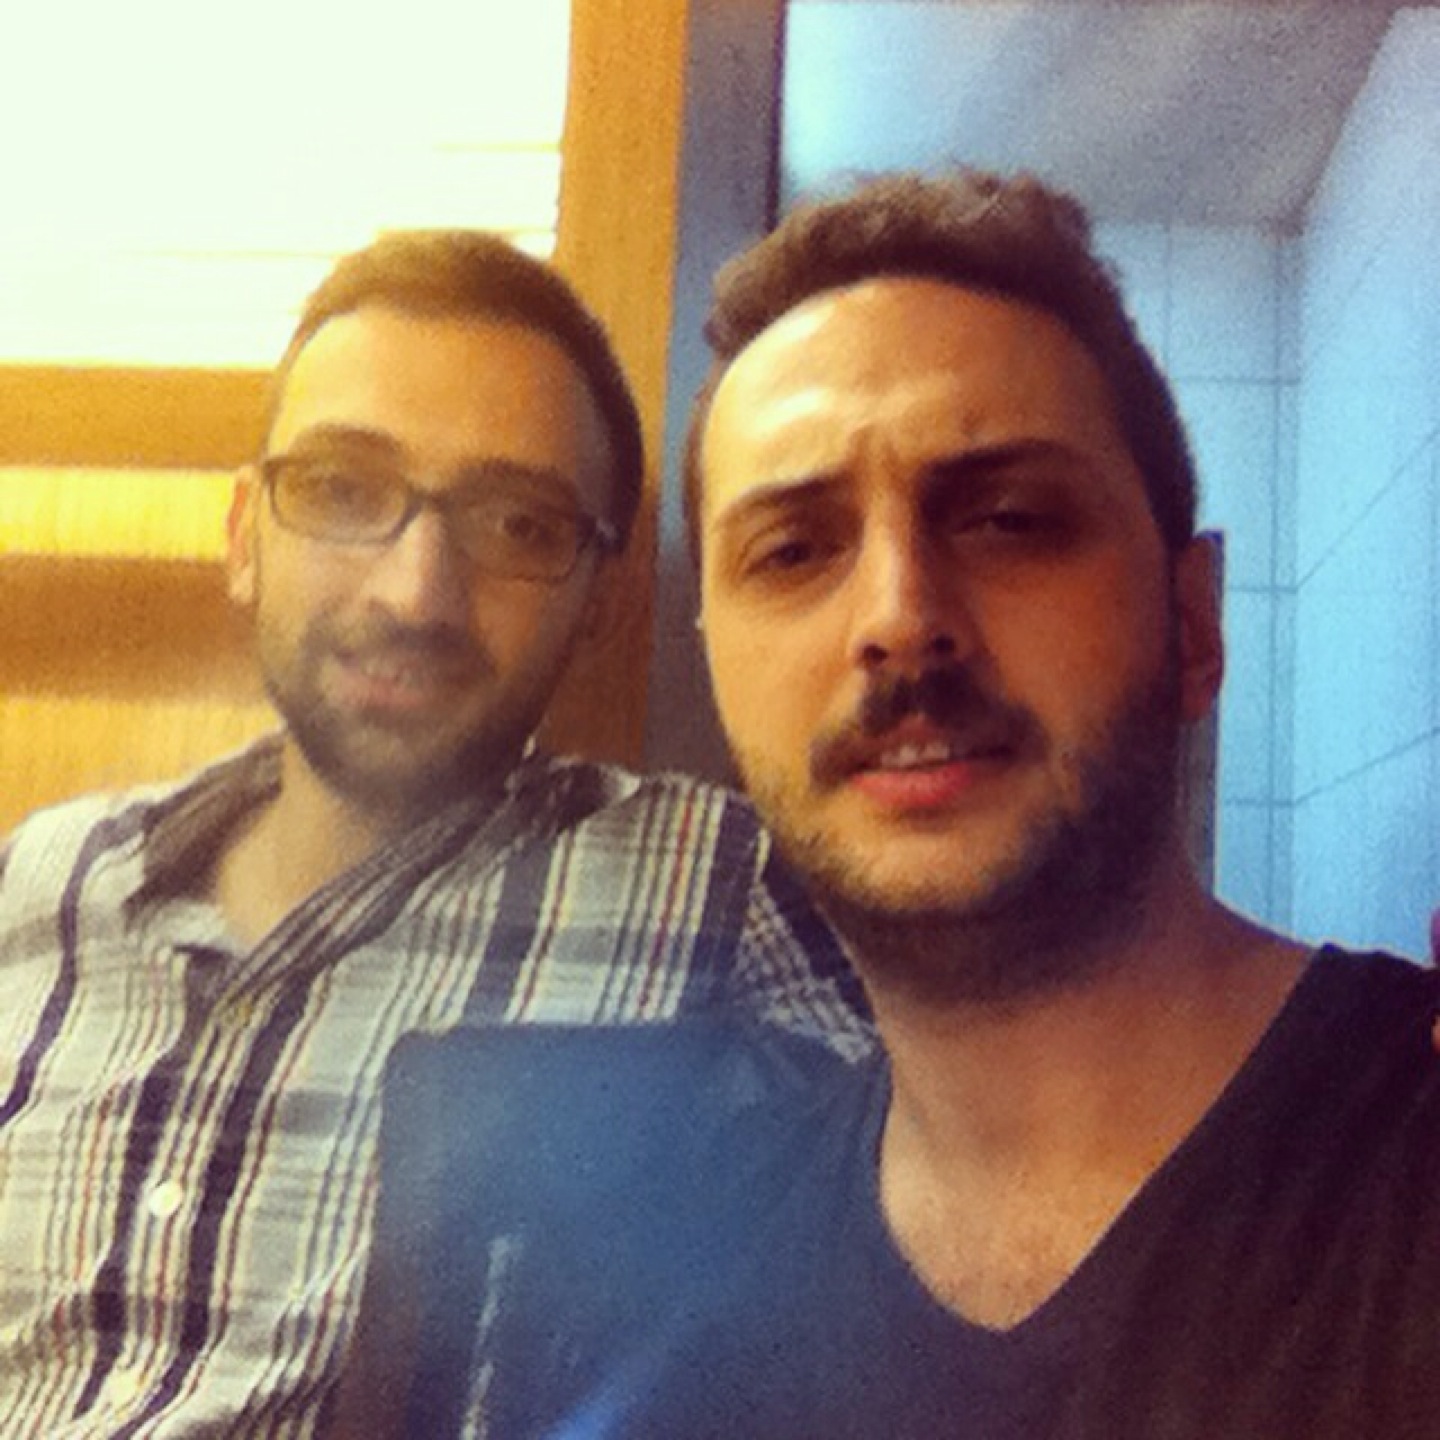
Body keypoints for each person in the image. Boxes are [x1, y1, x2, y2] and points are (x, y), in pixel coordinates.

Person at [343, 172, 1440, 1439]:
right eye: (793, 550)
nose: (900, 617)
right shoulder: (684, 1300)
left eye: (1010, 520)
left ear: (1191, 624)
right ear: (721, 670)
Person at [0, 230, 870, 1437]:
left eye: (518, 525)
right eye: (342, 491)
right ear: (245, 535)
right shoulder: (43, 880)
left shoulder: (722, 887)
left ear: (603, 600)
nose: (414, 592)